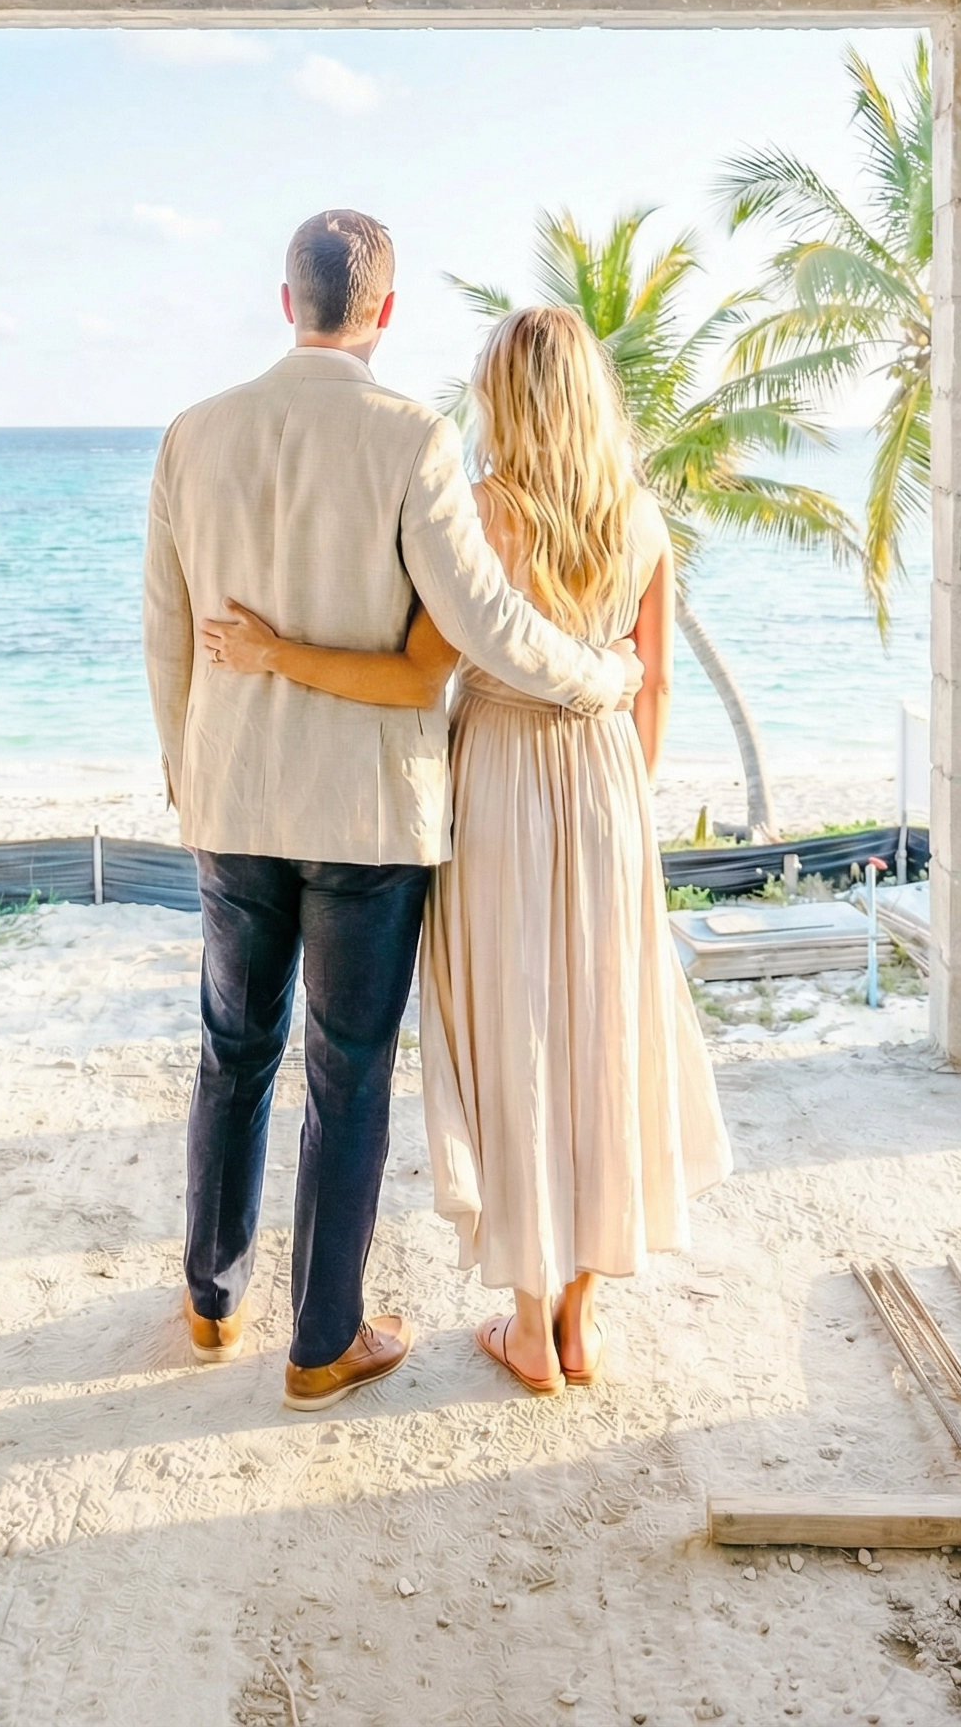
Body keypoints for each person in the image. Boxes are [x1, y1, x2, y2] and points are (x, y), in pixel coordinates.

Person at [143, 214, 643, 1414]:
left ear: (285, 302)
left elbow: (163, 628)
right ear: (386, 311)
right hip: (367, 816)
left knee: (232, 1048)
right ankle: (323, 1342)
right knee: (347, 1072)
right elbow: (481, 624)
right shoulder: (411, 437)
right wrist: (602, 679)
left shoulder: (191, 434)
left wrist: (186, 764)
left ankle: (213, 1303)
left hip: (233, 798)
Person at [202, 304, 731, 1395]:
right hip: (604, 789)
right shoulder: (640, 516)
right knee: (599, 1029)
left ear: (504, 399)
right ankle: (578, 1319)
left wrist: (270, 653)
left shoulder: (484, 513)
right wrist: (622, 808)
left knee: (515, 1033)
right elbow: (655, 682)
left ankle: (528, 1320)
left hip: (499, 783)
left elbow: (418, 674)